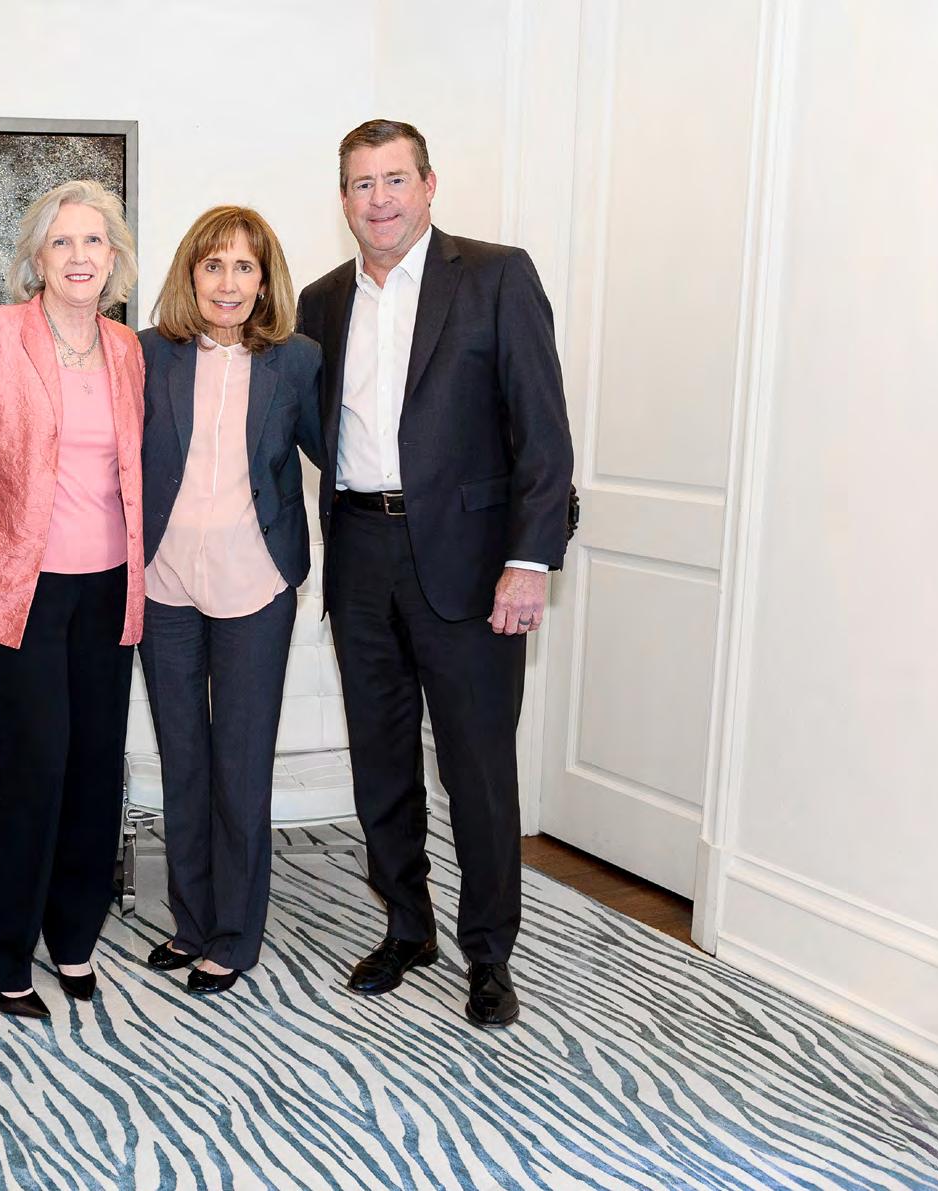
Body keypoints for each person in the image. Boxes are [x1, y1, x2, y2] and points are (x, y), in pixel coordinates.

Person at [297, 120, 575, 1027]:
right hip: (358, 552)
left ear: (427, 184)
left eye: (393, 179)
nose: (377, 199)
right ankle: (405, 926)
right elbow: (312, 428)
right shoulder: (320, 300)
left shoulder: (494, 276)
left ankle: (489, 954)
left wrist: (527, 561)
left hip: (470, 562)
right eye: (360, 183)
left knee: (477, 770)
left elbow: (542, 435)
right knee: (380, 761)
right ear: (342, 198)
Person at [0, 180, 146, 1020]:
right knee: (36, 770)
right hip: (19, 591)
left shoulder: (126, 348)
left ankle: (73, 936)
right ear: (36, 257)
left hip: (110, 588)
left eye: (92, 241)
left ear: (114, 257)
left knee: (97, 770)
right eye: (61, 241)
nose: (77, 256)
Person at [134, 205, 325, 994]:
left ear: (263, 279)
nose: (227, 281)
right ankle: (189, 921)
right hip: (163, 582)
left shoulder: (298, 360)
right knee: (183, 758)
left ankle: (233, 935)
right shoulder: (147, 353)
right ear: (191, 273)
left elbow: (339, 455)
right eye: (212, 264)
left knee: (239, 764)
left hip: (256, 583)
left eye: (243, 266)